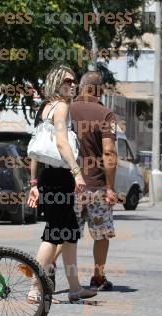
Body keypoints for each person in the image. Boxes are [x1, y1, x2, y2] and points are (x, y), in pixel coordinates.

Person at [27, 64, 97, 302]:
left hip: (49, 177)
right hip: (59, 178)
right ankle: (35, 286)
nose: (72, 84)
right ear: (56, 83)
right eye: (67, 81)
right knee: (54, 234)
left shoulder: (44, 108)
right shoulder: (62, 107)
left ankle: (75, 287)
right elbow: (61, 143)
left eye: (73, 81)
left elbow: (35, 151)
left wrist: (34, 182)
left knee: (68, 234)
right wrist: (77, 172)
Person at [70, 71, 118, 290]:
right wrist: (110, 187)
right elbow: (109, 153)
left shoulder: (66, 110)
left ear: (81, 87)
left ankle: (47, 272)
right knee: (101, 234)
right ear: (98, 90)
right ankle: (98, 277)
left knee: (65, 232)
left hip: (69, 184)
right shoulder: (106, 114)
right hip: (97, 186)